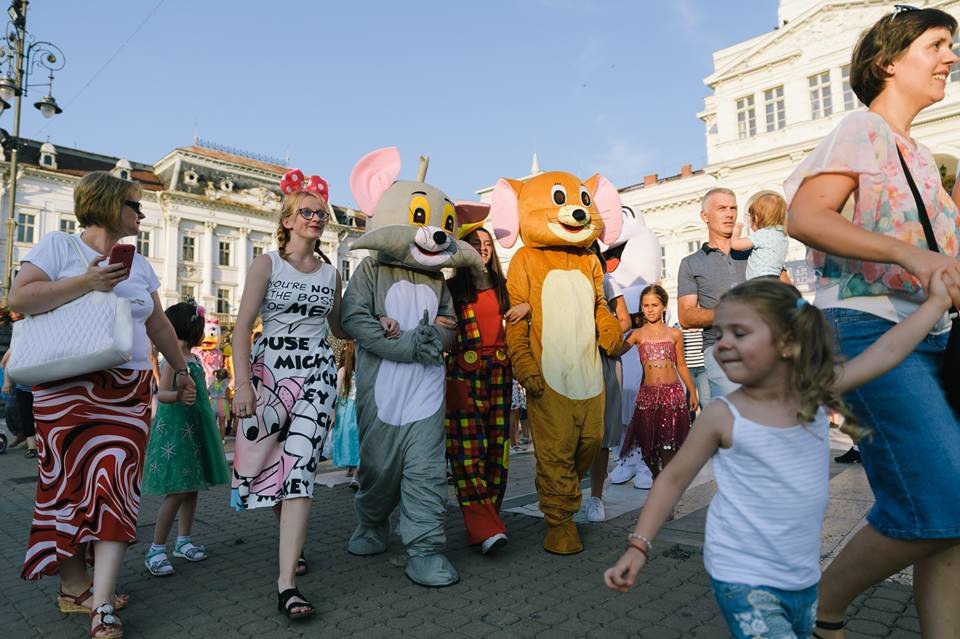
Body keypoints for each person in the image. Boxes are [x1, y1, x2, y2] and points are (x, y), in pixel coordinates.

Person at [604, 275, 951, 639]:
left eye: (739, 333)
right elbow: (673, 479)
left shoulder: (812, 392)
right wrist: (639, 545)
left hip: (802, 578)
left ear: (786, 342)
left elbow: (887, 352)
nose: (723, 345)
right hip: (742, 578)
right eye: (721, 334)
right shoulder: (722, 415)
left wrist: (936, 304)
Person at [784, 7, 960, 636]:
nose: (950, 57)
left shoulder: (924, 158)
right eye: (936, 45)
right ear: (888, 61)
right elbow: (805, 216)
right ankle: (820, 604)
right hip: (868, 326)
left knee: (949, 524)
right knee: (943, 499)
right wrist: (910, 256)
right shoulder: (861, 129)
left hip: (931, 335)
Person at [11, 171, 197, 639]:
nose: (142, 214)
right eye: (135, 205)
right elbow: (21, 298)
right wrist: (88, 281)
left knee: (117, 486)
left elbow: (158, 325)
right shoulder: (58, 246)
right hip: (64, 388)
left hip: (127, 389)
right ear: (110, 204)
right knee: (66, 488)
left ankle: (102, 603)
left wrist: (182, 370)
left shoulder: (141, 265)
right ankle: (75, 587)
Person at [231, 169, 347, 620]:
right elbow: (242, 326)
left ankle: (287, 585)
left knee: (300, 468)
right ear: (287, 221)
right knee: (273, 466)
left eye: (321, 213)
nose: (315, 218)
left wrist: (379, 319)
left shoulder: (331, 274)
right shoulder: (267, 264)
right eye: (307, 212)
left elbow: (340, 327)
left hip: (316, 376)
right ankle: (291, 547)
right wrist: (243, 385)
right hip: (270, 375)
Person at [444, 226, 527, 554]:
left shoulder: (505, 287)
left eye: (487, 243)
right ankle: (484, 525)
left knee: (497, 448)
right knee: (467, 450)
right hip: (463, 374)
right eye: (475, 243)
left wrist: (528, 308)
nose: (483, 248)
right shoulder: (451, 289)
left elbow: (529, 309)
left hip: (500, 373)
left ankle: (487, 521)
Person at [141, 302, 229, 577]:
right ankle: (156, 548)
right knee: (178, 490)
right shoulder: (173, 358)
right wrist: (178, 396)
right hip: (175, 432)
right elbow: (161, 394)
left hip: (193, 430)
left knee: (191, 487)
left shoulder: (193, 358)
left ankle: (184, 540)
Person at [677, 188, 750, 399]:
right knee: (732, 416)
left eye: (733, 208)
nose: (729, 214)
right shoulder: (691, 263)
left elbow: (787, 291)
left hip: (763, 345)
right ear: (705, 216)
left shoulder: (756, 251)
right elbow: (686, 317)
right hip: (721, 350)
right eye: (722, 208)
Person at [619, 285, 697, 480]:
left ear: (664, 306)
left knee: (669, 446)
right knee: (647, 447)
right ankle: (657, 478)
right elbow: (615, 350)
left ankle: (665, 486)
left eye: (654, 305)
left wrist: (692, 391)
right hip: (648, 397)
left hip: (672, 396)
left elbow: (681, 365)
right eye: (646, 306)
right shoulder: (637, 334)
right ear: (641, 308)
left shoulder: (674, 334)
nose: (650, 309)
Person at [585, 243, 632, 523]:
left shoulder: (606, 280)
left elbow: (625, 320)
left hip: (603, 357)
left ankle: (596, 497)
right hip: (572, 359)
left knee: (601, 433)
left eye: (590, 252)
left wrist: (603, 332)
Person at [731, 193, 790, 280]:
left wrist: (736, 234)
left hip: (759, 279)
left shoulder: (762, 234)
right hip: (775, 279)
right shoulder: (782, 236)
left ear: (756, 218)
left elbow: (735, 245)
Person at [331, 341, 360, 487]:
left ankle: (353, 469)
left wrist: (333, 413)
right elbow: (336, 394)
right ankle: (353, 468)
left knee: (349, 439)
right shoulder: (351, 371)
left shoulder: (342, 371)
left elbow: (335, 395)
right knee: (353, 439)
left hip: (345, 409)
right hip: (352, 409)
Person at [1, 343, 37, 458]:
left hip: (42, 385)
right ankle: (32, 446)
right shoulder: (21, 341)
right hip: (24, 386)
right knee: (26, 415)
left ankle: (34, 443)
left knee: (36, 415)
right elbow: (7, 362)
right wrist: (7, 382)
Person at [208, 368, 230, 441]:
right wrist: (229, 405)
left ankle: (212, 439)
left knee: (212, 423)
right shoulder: (226, 386)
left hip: (212, 402)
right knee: (222, 423)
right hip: (222, 403)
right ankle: (222, 439)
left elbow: (207, 393)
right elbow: (227, 397)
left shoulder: (212, 384)